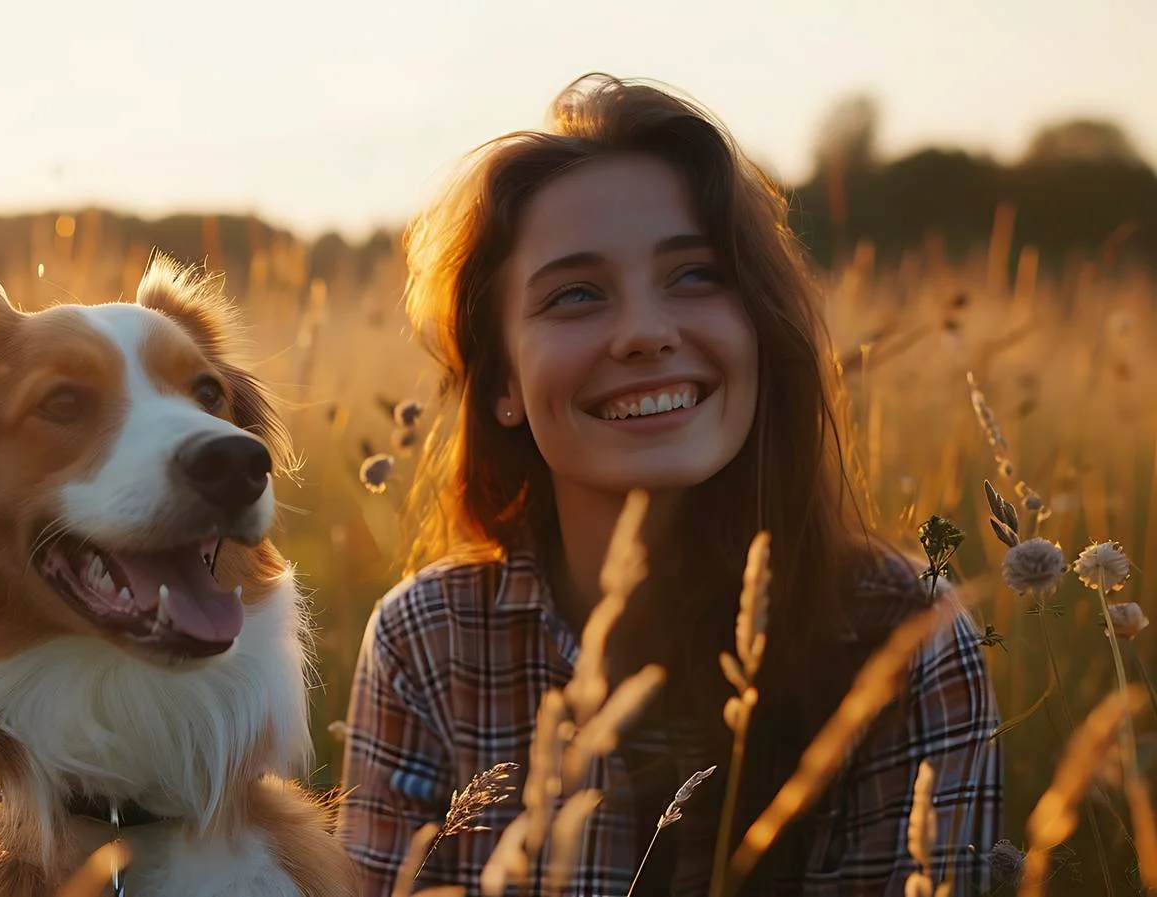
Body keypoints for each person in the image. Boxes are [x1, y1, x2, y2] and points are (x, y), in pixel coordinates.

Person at [335, 73, 1001, 896]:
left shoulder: (906, 642)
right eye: (575, 294)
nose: (647, 333)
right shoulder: (430, 640)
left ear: (759, 323)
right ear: (502, 379)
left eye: (693, 276)